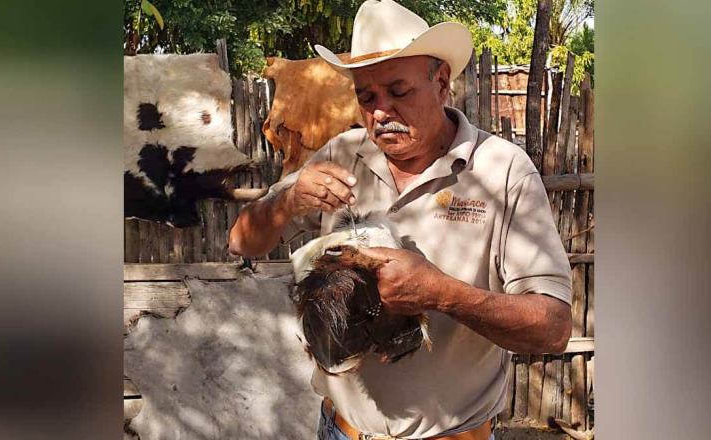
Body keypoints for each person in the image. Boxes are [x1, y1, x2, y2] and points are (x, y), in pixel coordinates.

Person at [229, 1, 572, 439]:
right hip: (340, 430)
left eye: (399, 90)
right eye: (367, 97)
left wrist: (442, 294)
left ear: (442, 82)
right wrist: (286, 202)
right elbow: (240, 242)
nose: (380, 112)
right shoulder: (342, 153)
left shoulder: (501, 171)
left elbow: (553, 328)